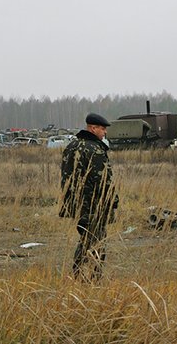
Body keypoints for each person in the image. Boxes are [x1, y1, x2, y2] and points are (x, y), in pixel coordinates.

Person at [59, 112, 118, 281]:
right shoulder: (95, 149)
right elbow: (103, 180)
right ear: (93, 128)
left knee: (86, 237)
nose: (105, 132)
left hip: (75, 203)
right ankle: (91, 277)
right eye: (102, 129)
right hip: (94, 204)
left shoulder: (71, 146)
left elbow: (65, 177)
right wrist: (113, 201)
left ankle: (80, 275)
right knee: (96, 241)